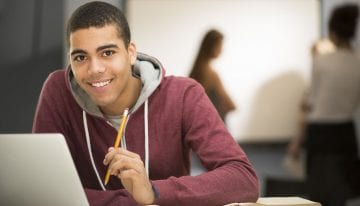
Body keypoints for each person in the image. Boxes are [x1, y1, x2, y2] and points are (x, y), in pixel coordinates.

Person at [32, 2, 259, 206]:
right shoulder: (57, 90)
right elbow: (42, 190)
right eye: (80, 57)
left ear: (131, 53)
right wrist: (132, 200)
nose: (94, 69)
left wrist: (153, 192)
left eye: (108, 53)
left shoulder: (183, 94)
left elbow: (243, 178)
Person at [286, 4, 360, 206]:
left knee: (319, 194)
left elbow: (310, 104)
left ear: (332, 32)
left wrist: (297, 140)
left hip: (320, 134)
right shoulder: (358, 61)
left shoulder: (321, 62)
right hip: (345, 133)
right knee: (342, 192)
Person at [189, 29, 236, 122]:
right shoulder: (211, 74)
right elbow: (231, 105)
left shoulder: (194, 72)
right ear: (211, 47)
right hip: (214, 126)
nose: (222, 50)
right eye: (219, 46)